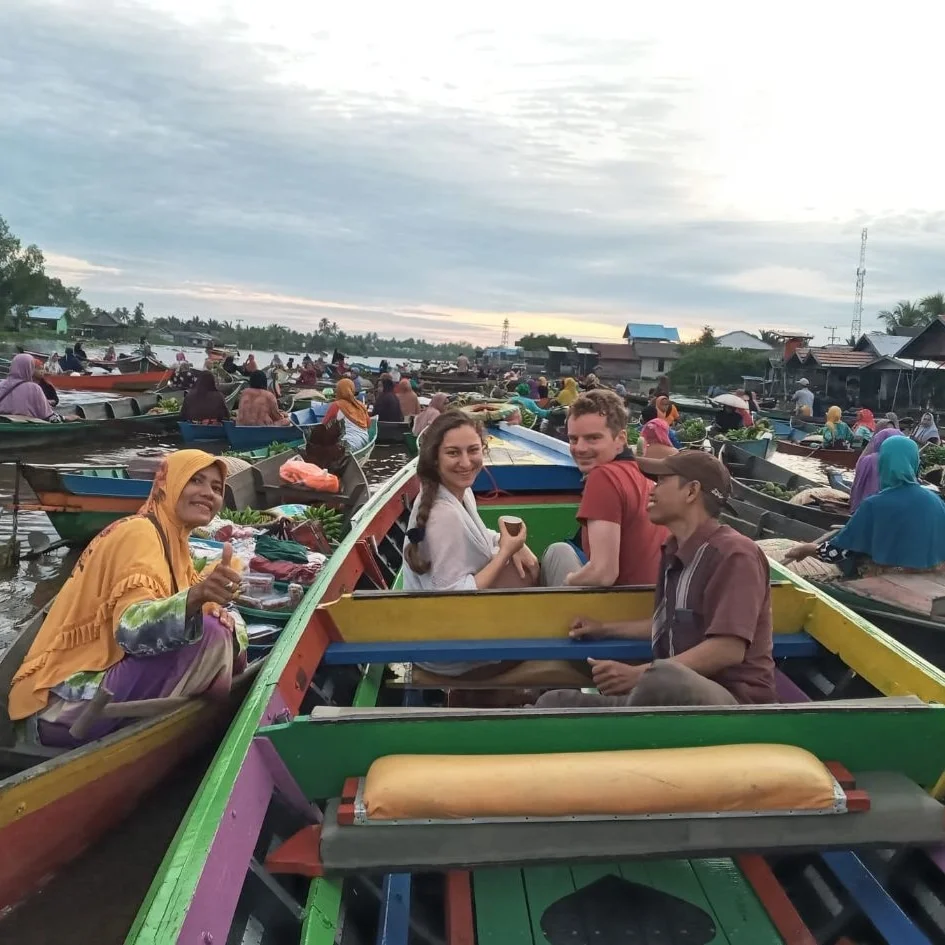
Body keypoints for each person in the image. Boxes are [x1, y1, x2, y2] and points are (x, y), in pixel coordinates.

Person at [7, 450, 248, 747]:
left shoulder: (175, 543)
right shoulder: (140, 533)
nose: (207, 493)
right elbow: (130, 632)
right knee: (211, 634)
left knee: (220, 624)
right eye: (195, 480)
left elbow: (203, 603)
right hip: (63, 709)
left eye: (216, 487)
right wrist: (198, 599)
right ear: (166, 484)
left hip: (94, 701)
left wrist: (214, 607)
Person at [537, 451, 776, 708]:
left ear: (691, 491)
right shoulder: (673, 549)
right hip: (670, 696)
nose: (651, 490)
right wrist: (603, 628)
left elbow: (728, 648)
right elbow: (669, 624)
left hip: (733, 704)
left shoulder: (735, 554)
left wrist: (638, 675)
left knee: (663, 678)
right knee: (552, 702)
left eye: (661, 482)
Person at [540, 390, 668, 587]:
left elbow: (603, 573)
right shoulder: (642, 476)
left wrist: (567, 582)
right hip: (649, 603)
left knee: (556, 553)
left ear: (620, 439)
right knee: (562, 550)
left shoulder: (604, 477)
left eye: (592, 438)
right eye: (574, 439)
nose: (580, 448)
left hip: (617, 608)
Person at [403, 412, 538, 593]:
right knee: (559, 557)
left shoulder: (462, 492)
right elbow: (451, 598)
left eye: (473, 450)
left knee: (558, 554)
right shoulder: (443, 516)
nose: (466, 463)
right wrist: (505, 552)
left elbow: (479, 536)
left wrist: (507, 542)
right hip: (456, 617)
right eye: (453, 453)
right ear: (435, 458)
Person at [785, 437, 945, 577]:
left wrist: (805, 549)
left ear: (883, 463)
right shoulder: (937, 501)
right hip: (932, 579)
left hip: (886, 583)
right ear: (915, 463)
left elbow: (834, 554)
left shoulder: (874, 504)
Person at [848, 427, 903, 512]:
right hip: (893, 510)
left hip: (866, 507)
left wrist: (852, 502)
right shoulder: (903, 461)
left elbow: (858, 483)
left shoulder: (868, 460)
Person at [0, 353, 61, 420]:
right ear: (30, 368)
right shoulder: (34, 388)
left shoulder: (1, 384)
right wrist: (63, 418)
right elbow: (48, 416)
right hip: (24, 426)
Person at [323, 377, 371, 450]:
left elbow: (323, 425)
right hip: (364, 440)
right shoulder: (360, 405)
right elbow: (369, 424)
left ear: (338, 391)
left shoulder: (336, 405)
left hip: (348, 443)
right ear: (352, 390)